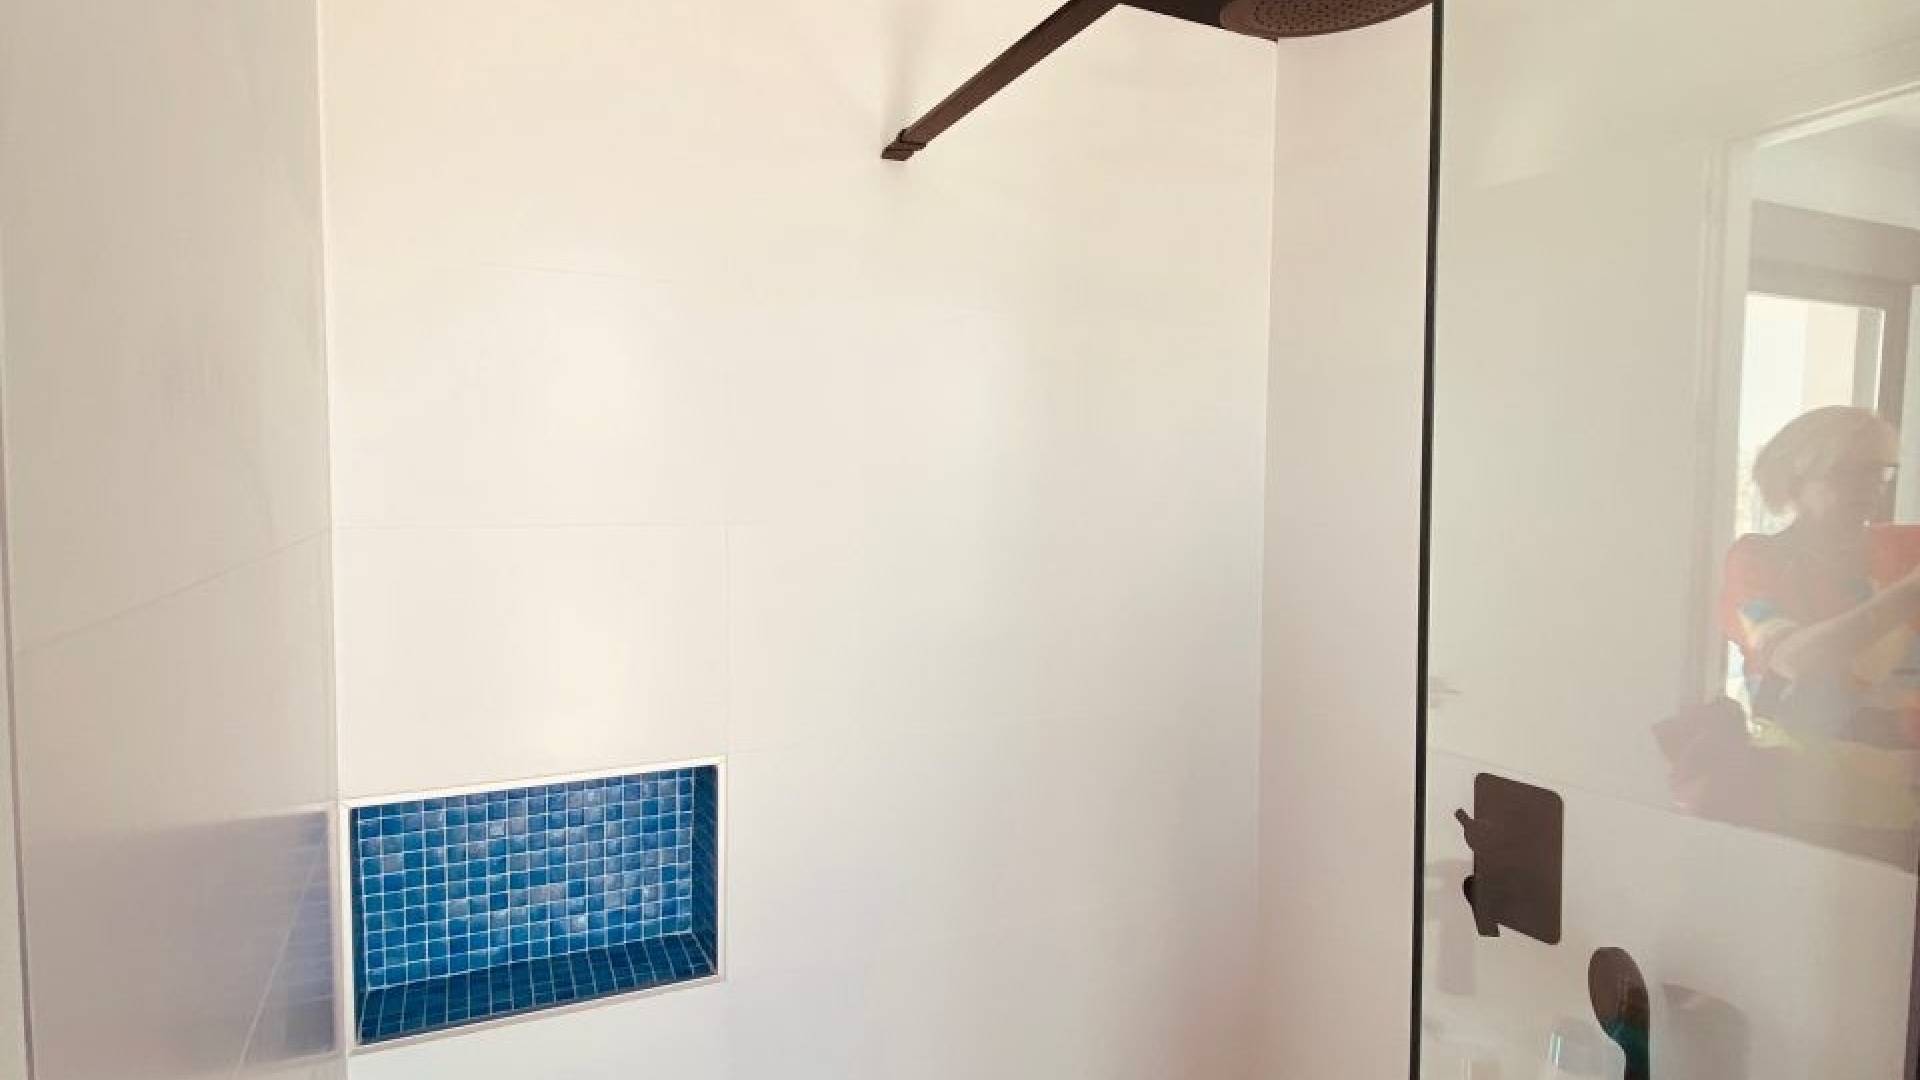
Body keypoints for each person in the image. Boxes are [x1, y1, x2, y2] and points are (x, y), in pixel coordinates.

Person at [1721, 406, 1920, 863]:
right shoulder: (1757, 560)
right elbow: (1792, 658)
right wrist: (1907, 594)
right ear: (1794, 475)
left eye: (1880, 472)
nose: (1870, 486)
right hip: (1805, 810)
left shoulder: (1907, 546)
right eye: (1850, 471)